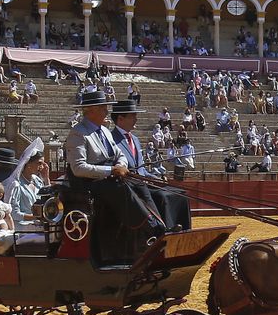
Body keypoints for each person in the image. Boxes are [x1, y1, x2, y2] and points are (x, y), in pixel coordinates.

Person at [65, 90, 157, 259]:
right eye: (103, 108)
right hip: (89, 183)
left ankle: (158, 224)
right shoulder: (78, 133)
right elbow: (78, 168)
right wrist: (111, 170)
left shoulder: (106, 131)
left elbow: (119, 154)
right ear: (90, 110)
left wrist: (121, 165)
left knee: (139, 184)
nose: (107, 111)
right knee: (119, 187)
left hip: (109, 178)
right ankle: (148, 228)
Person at [110, 100, 191, 232]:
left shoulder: (135, 139)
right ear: (120, 118)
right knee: (163, 197)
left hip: (143, 184)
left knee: (180, 194)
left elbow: (141, 168)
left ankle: (184, 232)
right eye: (133, 116)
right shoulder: (112, 139)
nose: (136, 119)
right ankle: (165, 230)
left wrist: (155, 177)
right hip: (129, 187)